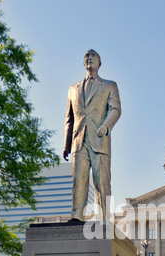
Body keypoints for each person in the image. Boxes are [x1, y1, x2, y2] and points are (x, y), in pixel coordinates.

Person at [63, 49, 121, 221]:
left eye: (93, 56)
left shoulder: (110, 85)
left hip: (99, 139)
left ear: (99, 63)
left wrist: (106, 126)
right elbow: (69, 118)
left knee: (101, 182)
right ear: (83, 63)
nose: (89, 59)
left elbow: (116, 109)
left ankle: (104, 218)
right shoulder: (73, 89)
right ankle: (76, 215)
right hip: (78, 141)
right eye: (86, 57)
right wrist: (66, 144)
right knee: (78, 181)